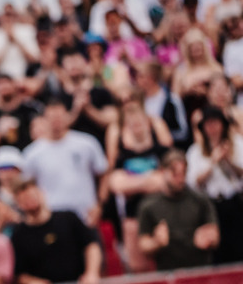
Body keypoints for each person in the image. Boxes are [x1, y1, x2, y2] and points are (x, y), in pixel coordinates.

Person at [104, 92, 173, 272]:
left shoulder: (161, 151)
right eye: (132, 124)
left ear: (148, 124)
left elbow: (168, 180)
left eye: (140, 123)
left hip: (162, 215)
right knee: (138, 268)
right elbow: (117, 185)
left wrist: (132, 183)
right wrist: (151, 180)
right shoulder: (122, 157)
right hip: (133, 217)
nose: (137, 127)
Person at [21, 98, 109, 226]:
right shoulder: (32, 153)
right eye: (52, 117)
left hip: (86, 216)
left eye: (59, 117)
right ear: (44, 120)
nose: (56, 121)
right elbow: (27, 187)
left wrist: (99, 204)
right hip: (51, 219)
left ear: (67, 116)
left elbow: (103, 174)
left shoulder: (87, 143)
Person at [10, 178, 102, 284]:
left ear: (42, 193)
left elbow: (91, 245)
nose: (30, 201)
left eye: (32, 196)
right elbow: (19, 274)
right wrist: (32, 283)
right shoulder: (18, 235)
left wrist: (92, 273)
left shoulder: (68, 218)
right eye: (24, 199)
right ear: (18, 203)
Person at [138, 149, 220, 271]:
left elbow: (215, 235)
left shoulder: (200, 200)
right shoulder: (149, 206)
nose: (180, 179)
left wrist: (208, 238)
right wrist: (156, 242)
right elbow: (143, 244)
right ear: (162, 171)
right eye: (174, 173)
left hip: (199, 271)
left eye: (183, 173)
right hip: (167, 273)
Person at [185, 105, 243, 264]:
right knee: (216, 252)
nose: (212, 127)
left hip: (234, 203)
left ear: (222, 125)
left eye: (215, 123)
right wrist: (213, 162)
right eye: (208, 123)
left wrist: (228, 161)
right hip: (209, 206)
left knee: (238, 248)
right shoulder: (195, 151)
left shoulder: (238, 144)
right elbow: (193, 182)